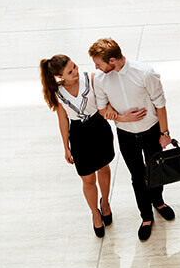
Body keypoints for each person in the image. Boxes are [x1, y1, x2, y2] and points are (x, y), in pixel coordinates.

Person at [39, 55, 144, 237]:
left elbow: (107, 98)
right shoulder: (57, 92)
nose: (76, 72)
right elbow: (63, 120)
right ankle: (95, 212)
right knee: (87, 179)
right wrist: (66, 147)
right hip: (79, 135)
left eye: (75, 67)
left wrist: (111, 108)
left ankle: (105, 204)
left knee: (104, 168)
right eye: (70, 72)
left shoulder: (92, 78)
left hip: (99, 127)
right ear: (59, 76)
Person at [88, 38, 176, 241]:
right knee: (137, 176)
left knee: (155, 170)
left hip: (151, 130)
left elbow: (160, 104)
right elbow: (102, 110)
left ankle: (159, 202)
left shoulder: (144, 73)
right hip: (125, 134)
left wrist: (165, 134)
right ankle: (146, 216)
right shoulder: (101, 79)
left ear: (112, 60)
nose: (96, 68)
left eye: (99, 64)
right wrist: (122, 118)